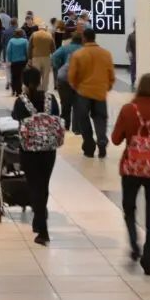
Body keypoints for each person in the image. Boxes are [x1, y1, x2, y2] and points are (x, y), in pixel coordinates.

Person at [111, 74, 150, 275]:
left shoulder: (128, 109)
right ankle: (149, 261)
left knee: (129, 208)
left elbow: (114, 139)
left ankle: (134, 243)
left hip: (131, 168)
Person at [11, 68, 62, 245]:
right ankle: (39, 219)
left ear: (24, 82)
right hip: (49, 149)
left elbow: (15, 117)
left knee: (33, 186)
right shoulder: (50, 99)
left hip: (29, 149)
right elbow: (57, 115)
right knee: (44, 184)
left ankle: (42, 228)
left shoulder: (21, 101)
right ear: (40, 80)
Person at [69, 28, 116, 158]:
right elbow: (111, 75)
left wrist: (76, 87)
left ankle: (89, 146)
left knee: (83, 119)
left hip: (83, 92)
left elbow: (72, 76)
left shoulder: (78, 54)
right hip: (100, 92)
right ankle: (101, 140)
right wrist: (106, 87)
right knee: (100, 118)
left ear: (83, 38)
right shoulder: (106, 54)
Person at [52, 33, 83, 131]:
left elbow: (54, 57)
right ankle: (76, 128)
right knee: (78, 104)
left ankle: (65, 127)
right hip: (78, 80)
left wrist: (60, 66)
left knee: (65, 104)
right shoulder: (84, 49)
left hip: (63, 78)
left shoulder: (65, 48)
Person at [28, 23, 56, 91]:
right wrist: (53, 57)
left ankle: (36, 89)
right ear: (45, 28)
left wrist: (29, 58)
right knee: (45, 76)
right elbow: (53, 48)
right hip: (46, 57)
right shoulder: (49, 35)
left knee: (36, 75)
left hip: (35, 57)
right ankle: (44, 90)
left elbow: (30, 47)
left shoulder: (34, 34)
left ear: (39, 28)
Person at [5, 28, 29, 97]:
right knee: (21, 76)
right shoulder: (25, 41)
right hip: (22, 61)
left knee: (14, 76)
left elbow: (8, 51)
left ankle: (13, 90)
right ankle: (19, 91)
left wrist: (9, 59)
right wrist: (27, 59)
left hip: (14, 61)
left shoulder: (11, 41)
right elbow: (27, 51)